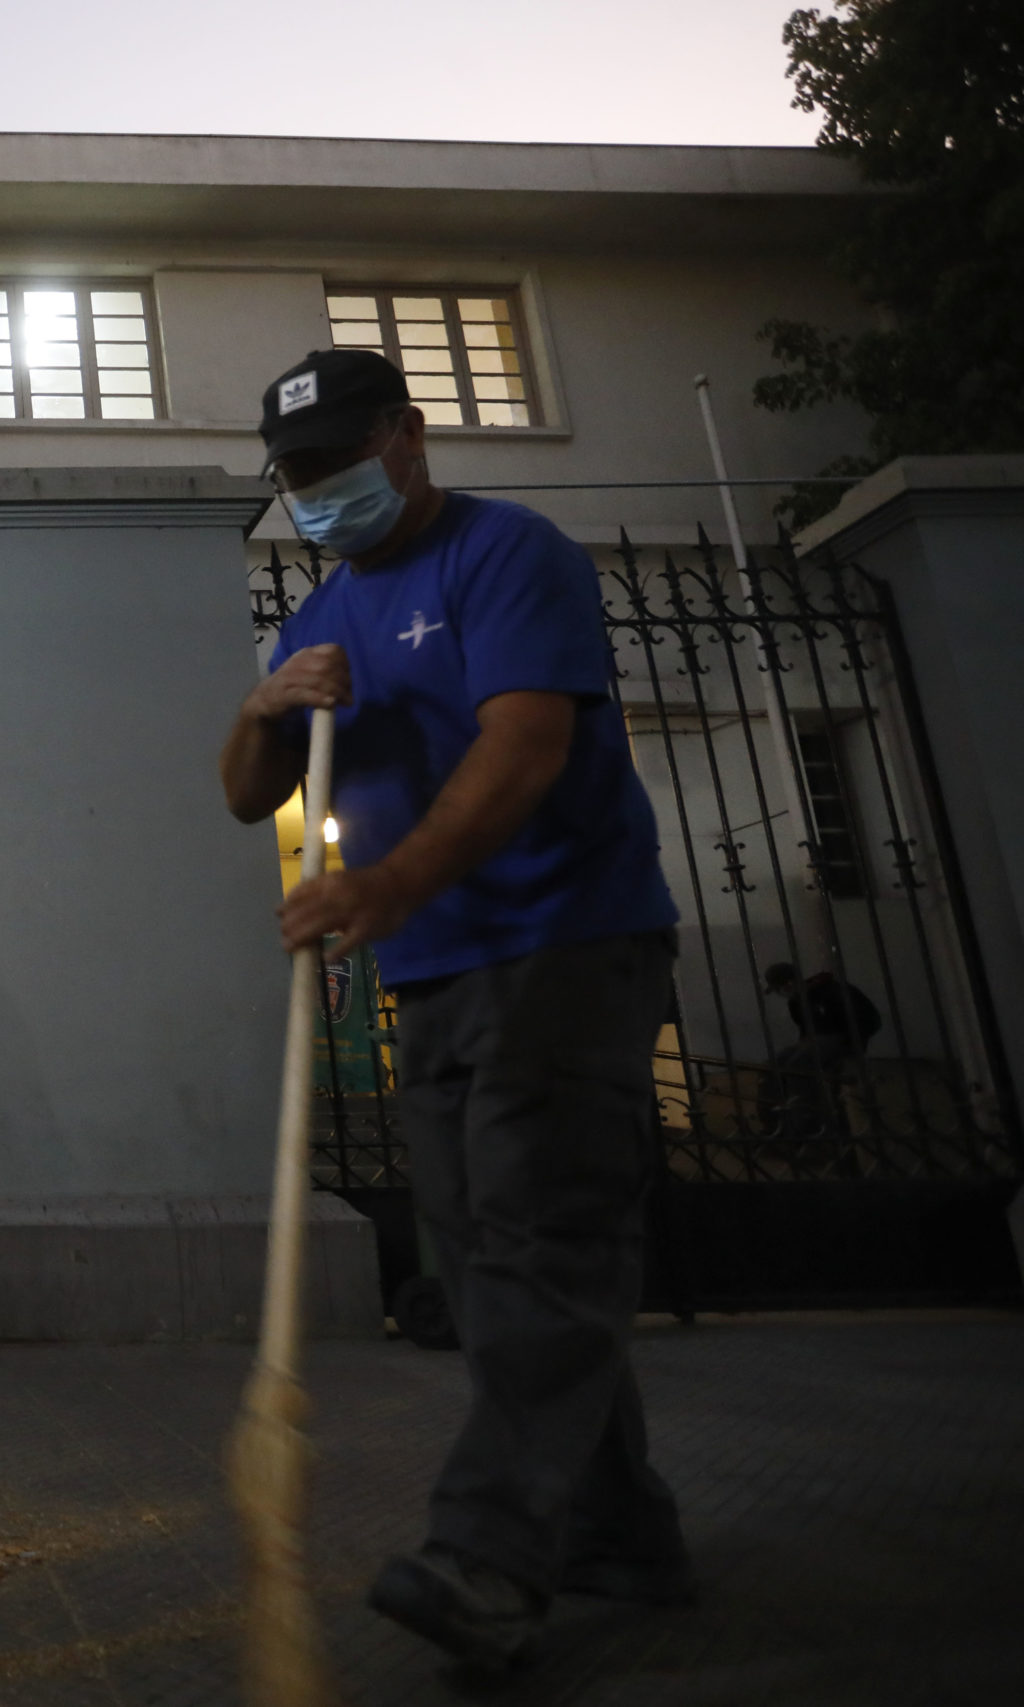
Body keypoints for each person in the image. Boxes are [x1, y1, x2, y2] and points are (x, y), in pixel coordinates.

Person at [221, 348, 690, 1668]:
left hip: (566, 941)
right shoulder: (319, 615)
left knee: (543, 1237)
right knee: (487, 1267)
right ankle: (617, 1533)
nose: (318, 487)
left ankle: (489, 1555)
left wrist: (387, 881)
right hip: (432, 969)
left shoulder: (507, 553)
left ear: (407, 435)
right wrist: (262, 705)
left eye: (336, 459)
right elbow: (247, 793)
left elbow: (527, 743)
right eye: (296, 472)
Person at [758, 961, 881, 1141]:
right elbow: (806, 1031)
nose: (782, 993)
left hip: (839, 1038)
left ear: (789, 983)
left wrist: (852, 1044)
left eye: (780, 989)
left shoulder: (832, 991)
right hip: (818, 1041)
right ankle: (775, 1126)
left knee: (798, 1065)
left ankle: (808, 1125)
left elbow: (869, 1019)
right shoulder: (797, 1001)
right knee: (772, 1065)